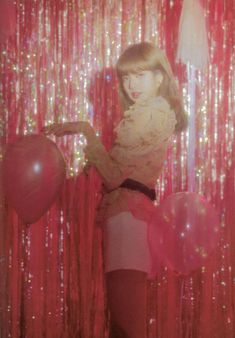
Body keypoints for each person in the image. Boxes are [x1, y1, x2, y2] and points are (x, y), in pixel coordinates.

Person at [43, 42, 187, 338]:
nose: (131, 84)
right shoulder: (149, 113)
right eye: (126, 77)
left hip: (129, 218)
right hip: (127, 215)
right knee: (124, 321)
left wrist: (83, 129)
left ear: (160, 77)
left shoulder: (153, 113)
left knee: (127, 322)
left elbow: (112, 175)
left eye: (140, 75)